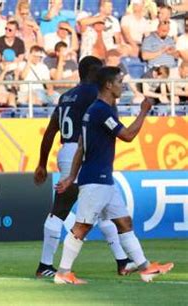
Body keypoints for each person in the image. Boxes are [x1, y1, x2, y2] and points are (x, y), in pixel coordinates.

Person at [54, 66, 174, 284]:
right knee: (82, 226)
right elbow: (127, 135)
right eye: (120, 82)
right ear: (109, 85)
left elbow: (81, 146)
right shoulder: (101, 111)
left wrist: (71, 177)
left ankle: (145, 268)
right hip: (96, 181)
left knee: (124, 222)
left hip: (103, 180)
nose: (122, 86)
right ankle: (63, 273)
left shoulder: (94, 110)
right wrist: (144, 111)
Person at [34, 56, 135, 278]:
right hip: (83, 154)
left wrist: (42, 163)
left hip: (66, 151)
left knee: (102, 208)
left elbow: (51, 130)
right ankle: (45, 266)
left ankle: (122, 261)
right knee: (64, 209)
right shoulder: (95, 95)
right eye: (100, 71)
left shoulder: (66, 96)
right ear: (92, 72)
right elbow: (113, 127)